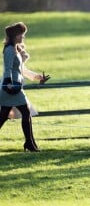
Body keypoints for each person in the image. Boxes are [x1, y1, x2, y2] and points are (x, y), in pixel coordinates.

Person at [0, 22, 47, 152]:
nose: (23, 38)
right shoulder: (9, 50)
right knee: (25, 112)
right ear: (16, 35)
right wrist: (8, 82)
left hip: (14, 87)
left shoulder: (15, 49)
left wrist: (37, 77)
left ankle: (30, 143)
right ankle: (30, 144)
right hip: (11, 88)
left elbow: (22, 70)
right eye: (22, 35)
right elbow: (7, 69)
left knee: (4, 115)